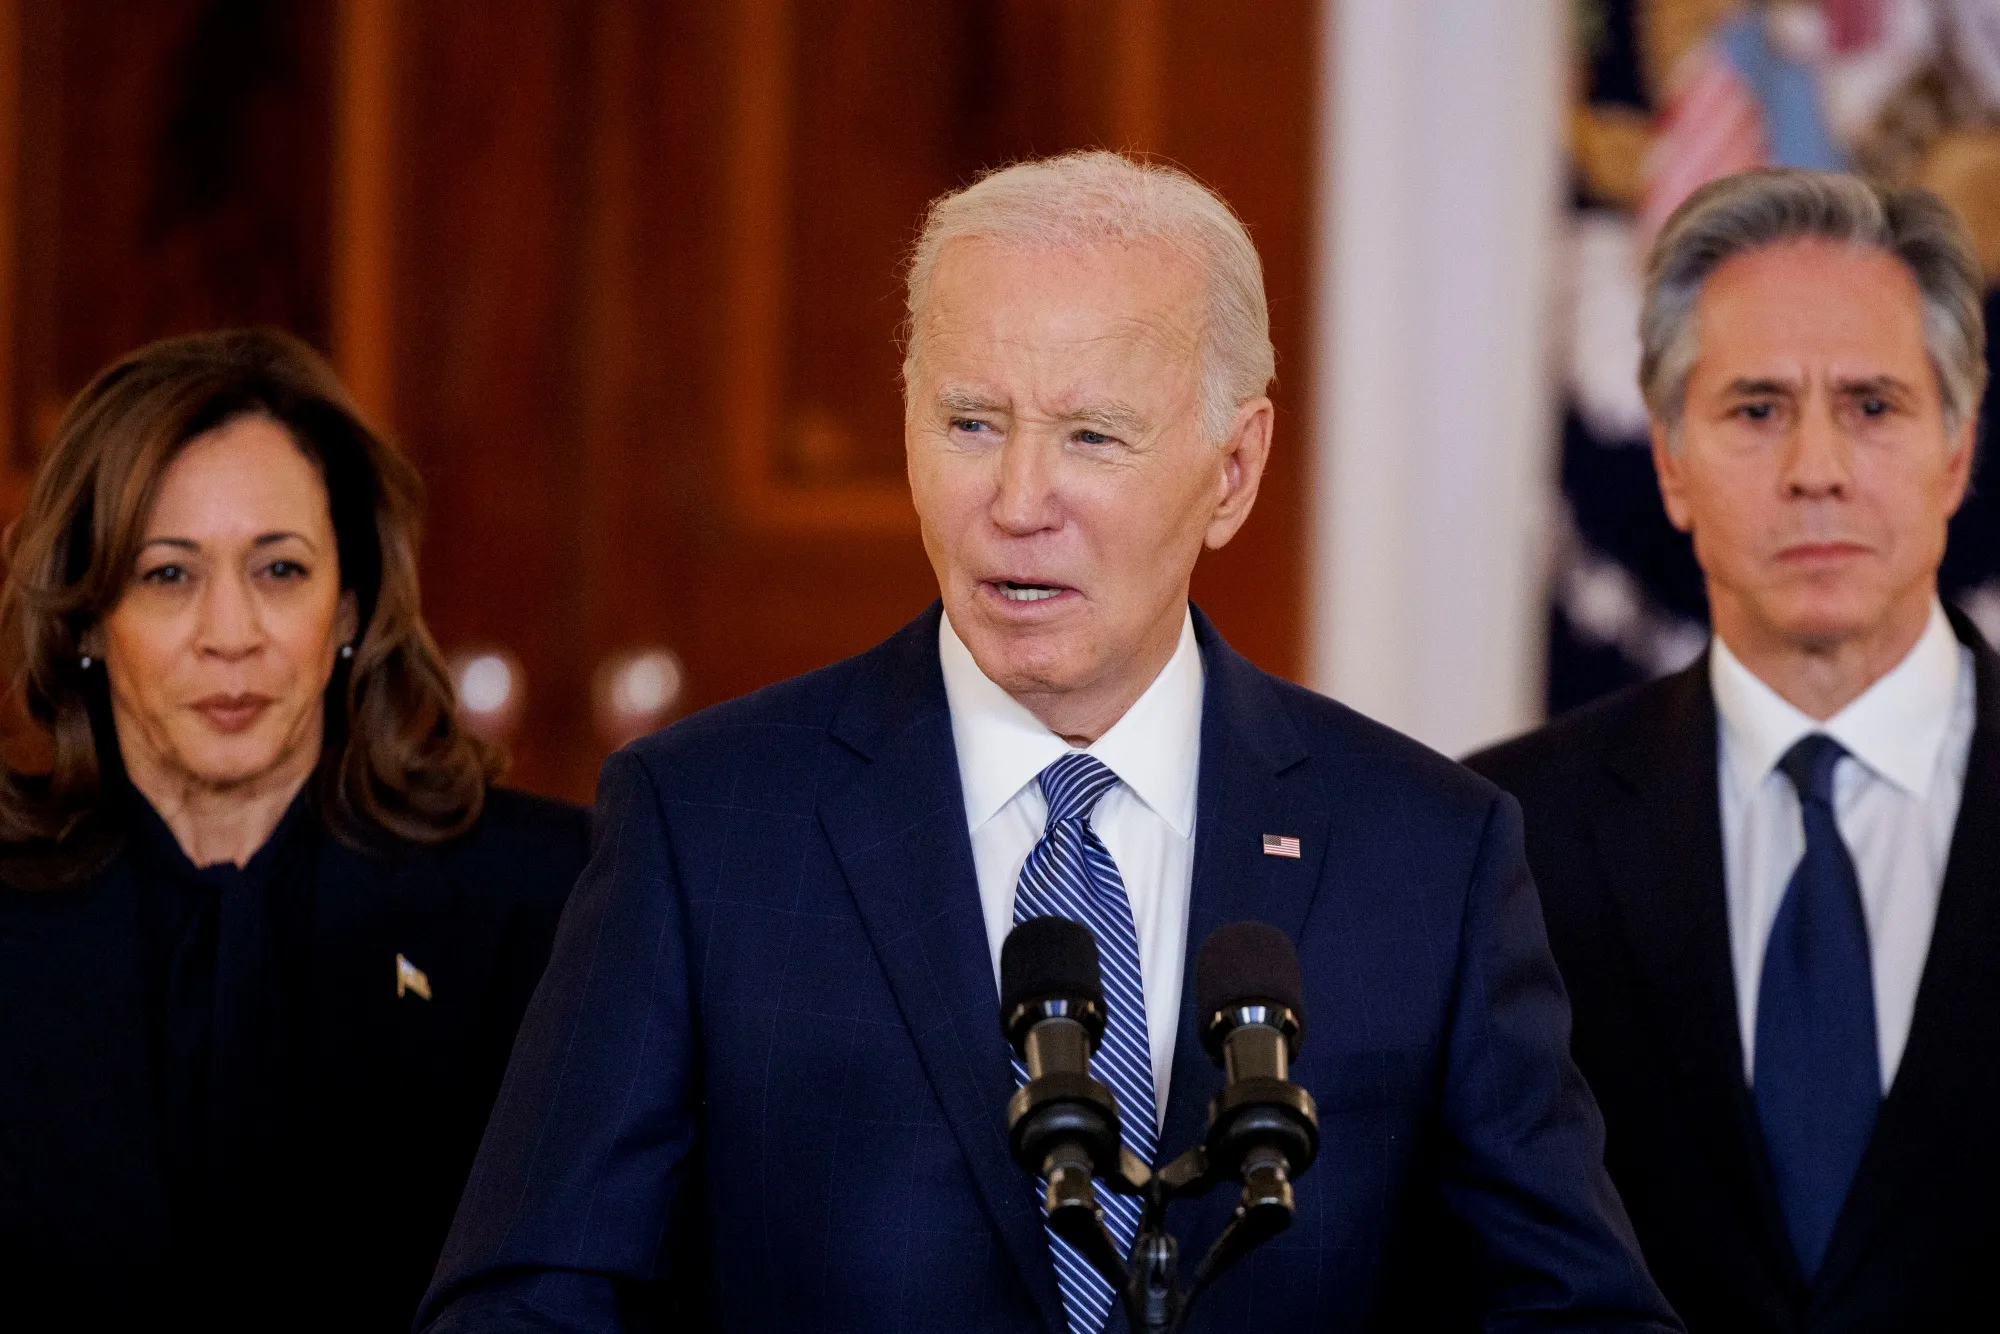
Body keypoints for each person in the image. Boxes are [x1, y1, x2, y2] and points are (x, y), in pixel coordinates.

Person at [418, 151, 1677, 1334]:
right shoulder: (704, 826)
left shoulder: (1427, 855)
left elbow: (1575, 1313)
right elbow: (528, 1303)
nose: (1017, 503)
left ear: (1232, 470)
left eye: (1090, 435)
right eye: (969, 422)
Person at [1468, 169, 1995, 1330]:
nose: (1815, 467)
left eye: (1871, 405)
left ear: (1956, 450)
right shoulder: (1494, 835)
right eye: (1755, 408)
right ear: (1665, 459)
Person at [0, 329, 589, 1332]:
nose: (230, 633)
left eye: (279, 570)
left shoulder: (550, 897)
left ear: (350, 604)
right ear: (87, 620)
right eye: (167, 575)